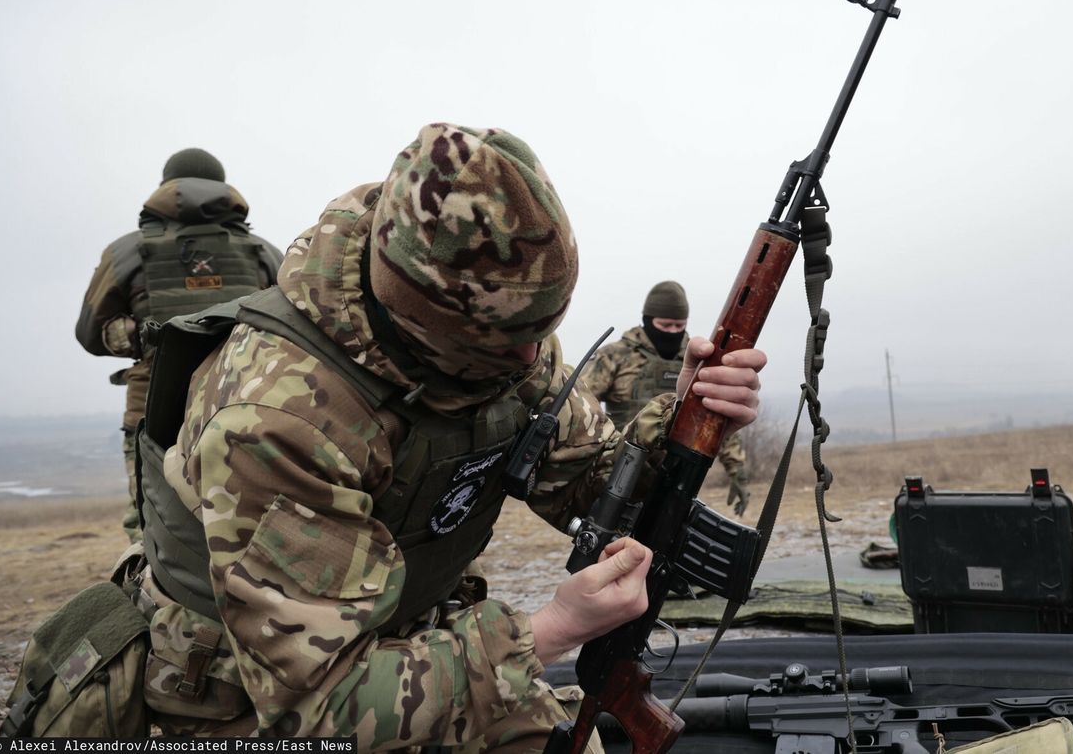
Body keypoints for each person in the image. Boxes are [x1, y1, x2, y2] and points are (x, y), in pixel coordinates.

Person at [125, 124, 766, 749]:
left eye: (537, 333)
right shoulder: (279, 416)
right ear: (421, 319)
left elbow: (586, 480)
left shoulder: (494, 333)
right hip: (246, 703)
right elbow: (319, 708)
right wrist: (553, 629)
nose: (530, 361)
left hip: (415, 639)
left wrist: (682, 420)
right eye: (504, 345)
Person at [75, 149, 283, 541]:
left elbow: (90, 333)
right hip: (247, 406)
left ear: (165, 187)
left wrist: (141, 332)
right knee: (249, 524)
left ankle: (151, 599)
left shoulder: (125, 252)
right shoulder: (265, 253)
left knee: (152, 529)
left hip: (155, 410)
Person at [584, 281, 752, 516]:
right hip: (621, 471)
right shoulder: (615, 356)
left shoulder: (698, 360)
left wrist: (737, 472)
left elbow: (715, 417)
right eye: (665, 324)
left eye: (679, 325)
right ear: (647, 320)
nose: (672, 331)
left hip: (678, 476)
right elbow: (581, 406)